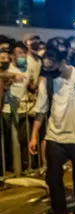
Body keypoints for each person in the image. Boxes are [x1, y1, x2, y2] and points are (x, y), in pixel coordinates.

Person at [28, 48, 75, 214]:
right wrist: (34, 136)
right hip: (55, 136)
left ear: (62, 60)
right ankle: (58, 212)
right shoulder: (48, 83)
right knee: (53, 177)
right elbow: (41, 111)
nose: (50, 68)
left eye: (53, 63)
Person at [1, 42, 37, 173]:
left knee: (23, 138)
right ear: (13, 56)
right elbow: (2, 75)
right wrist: (12, 76)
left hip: (23, 109)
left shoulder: (28, 68)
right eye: (19, 54)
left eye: (23, 53)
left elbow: (31, 85)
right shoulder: (7, 67)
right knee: (7, 140)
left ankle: (25, 166)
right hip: (7, 109)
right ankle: (9, 168)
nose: (22, 56)